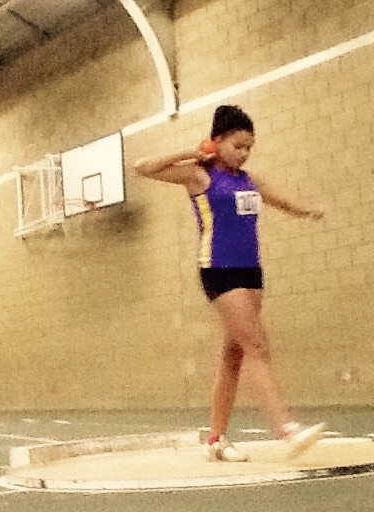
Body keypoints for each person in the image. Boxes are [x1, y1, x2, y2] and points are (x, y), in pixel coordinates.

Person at [134, 105, 326, 462]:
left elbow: (282, 201)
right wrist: (191, 152)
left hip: (251, 271)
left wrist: (308, 211)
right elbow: (142, 167)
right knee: (256, 346)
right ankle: (286, 429)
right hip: (219, 269)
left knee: (233, 355)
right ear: (217, 141)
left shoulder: (249, 180)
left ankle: (216, 440)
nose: (244, 153)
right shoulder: (198, 176)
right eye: (237, 145)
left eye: (249, 147)